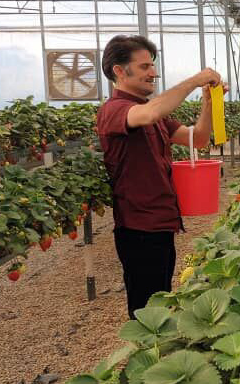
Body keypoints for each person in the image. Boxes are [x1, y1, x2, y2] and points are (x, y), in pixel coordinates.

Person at [95, 34, 227, 318]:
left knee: (161, 306)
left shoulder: (155, 117)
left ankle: (155, 356)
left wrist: (207, 103)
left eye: (152, 66)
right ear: (119, 70)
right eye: (144, 67)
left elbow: (199, 139)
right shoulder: (115, 111)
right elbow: (149, 113)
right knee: (146, 313)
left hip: (160, 224)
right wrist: (194, 81)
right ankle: (144, 358)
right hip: (138, 229)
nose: (153, 72)